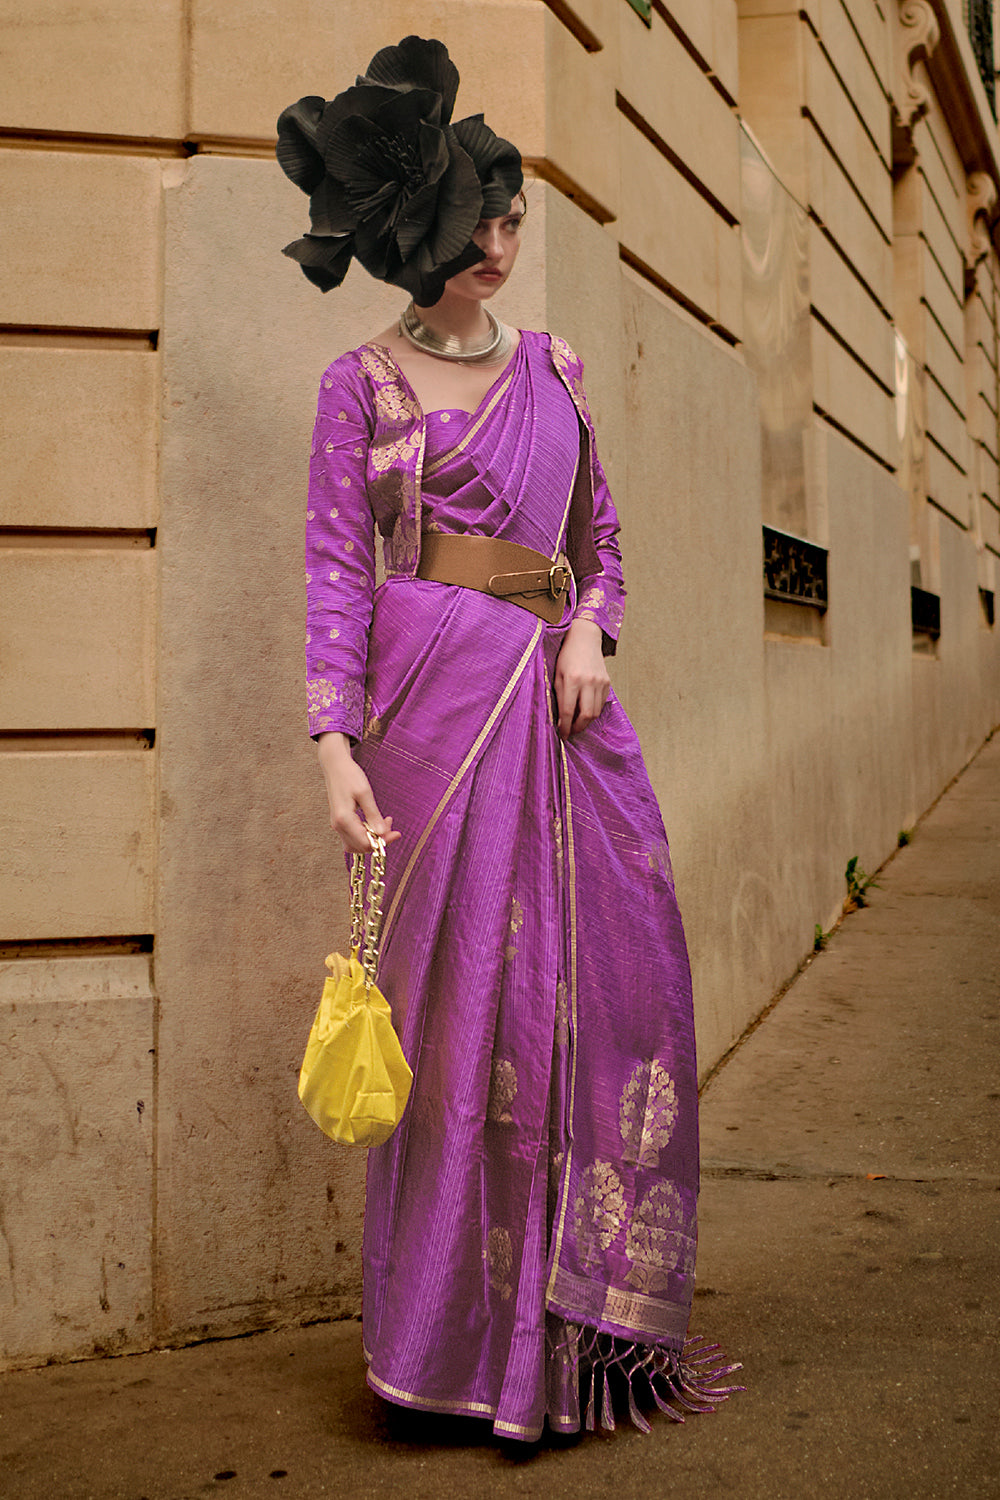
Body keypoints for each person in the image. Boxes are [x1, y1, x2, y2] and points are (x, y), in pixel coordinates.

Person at [278, 36, 740, 1444]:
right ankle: (448, 1348)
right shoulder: (362, 387)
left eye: (513, 215)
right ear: (419, 232)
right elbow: (336, 573)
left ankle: (574, 1324)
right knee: (459, 1023)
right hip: (429, 730)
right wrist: (333, 742)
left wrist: (592, 630)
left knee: (605, 998)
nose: (503, 239)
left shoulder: (555, 372)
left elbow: (602, 542)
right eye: (479, 218)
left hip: (562, 721)